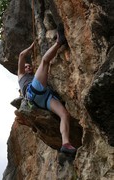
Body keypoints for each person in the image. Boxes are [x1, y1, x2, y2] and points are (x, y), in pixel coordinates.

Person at [17, 25, 76, 154]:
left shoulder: (33, 77)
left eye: (29, 67)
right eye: (26, 67)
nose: (28, 68)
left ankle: (65, 143)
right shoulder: (21, 76)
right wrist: (32, 47)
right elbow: (22, 56)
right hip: (33, 91)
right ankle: (59, 42)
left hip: (43, 99)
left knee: (64, 114)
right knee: (44, 61)